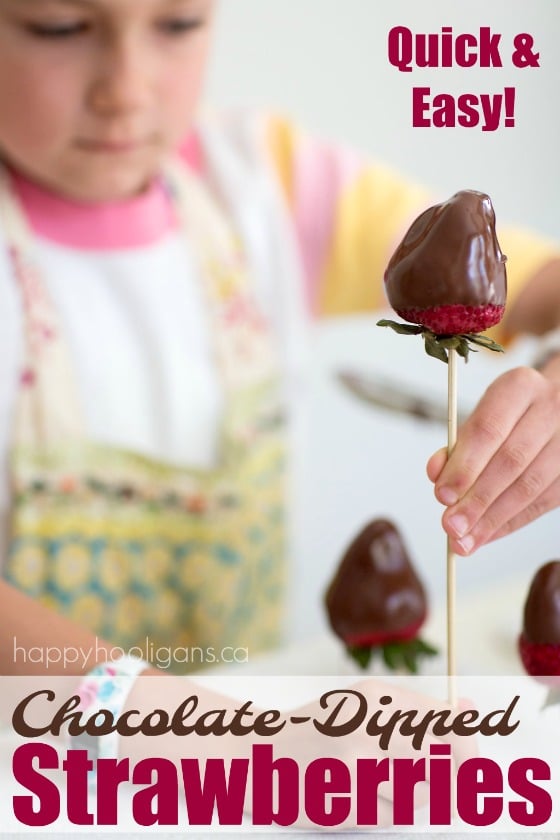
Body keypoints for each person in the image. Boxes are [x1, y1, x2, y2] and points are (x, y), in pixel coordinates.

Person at [0, 0, 559, 679]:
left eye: (177, 25)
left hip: (248, 731)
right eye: (58, 27)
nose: (125, 89)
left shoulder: (263, 183)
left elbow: (540, 284)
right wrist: (177, 724)